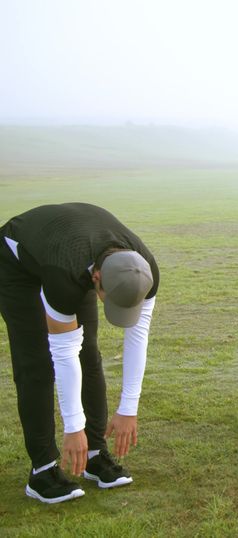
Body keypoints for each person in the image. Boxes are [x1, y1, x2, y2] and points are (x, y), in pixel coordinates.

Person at [0, 203, 158, 504]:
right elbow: (63, 351)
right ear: (97, 278)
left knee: (89, 355)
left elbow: (137, 335)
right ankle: (43, 470)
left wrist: (129, 408)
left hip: (74, 246)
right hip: (16, 258)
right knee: (36, 361)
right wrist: (73, 428)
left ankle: (95, 455)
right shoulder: (65, 271)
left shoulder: (145, 269)